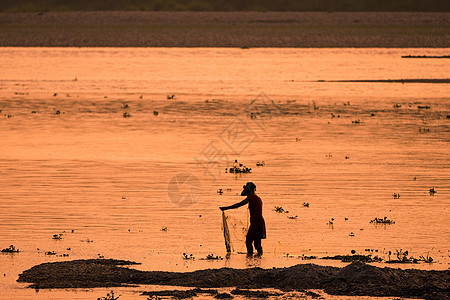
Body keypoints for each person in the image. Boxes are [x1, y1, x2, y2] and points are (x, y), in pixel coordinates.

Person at [220, 182, 266, 256]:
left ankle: (250, 258)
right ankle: (258, 259)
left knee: (249, 240)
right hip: (258, 221)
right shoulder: (256, 197)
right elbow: (243, 195)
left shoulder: (252, 197)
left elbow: (239, 204)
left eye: (246, 188)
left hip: (256, 222)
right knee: (257, 242)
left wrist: (226, 208)